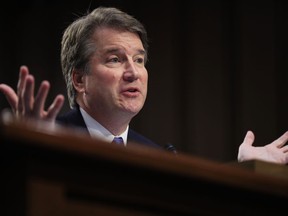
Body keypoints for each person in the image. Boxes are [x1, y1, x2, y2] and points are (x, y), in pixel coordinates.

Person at [0, 6, 287, 163]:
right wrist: (27, 147)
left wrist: (245, 170)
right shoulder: (47, 136)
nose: (133, 72)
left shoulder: (159, 158)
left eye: (139, 60)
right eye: (115, 59)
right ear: (79, 79)